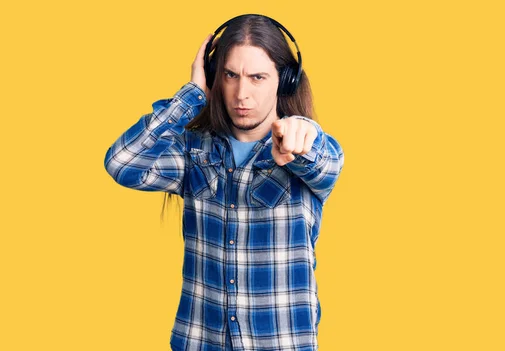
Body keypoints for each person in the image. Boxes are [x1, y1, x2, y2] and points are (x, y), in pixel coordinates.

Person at [103, 14, 344, 351]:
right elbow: (121, 163)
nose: (241, 93)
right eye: (231, 75)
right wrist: (190, 96)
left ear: (284, 81)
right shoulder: (193, 151)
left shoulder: (308, 151)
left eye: (258, 77)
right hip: (200, 342)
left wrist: (303, 134)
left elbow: (324, 162)